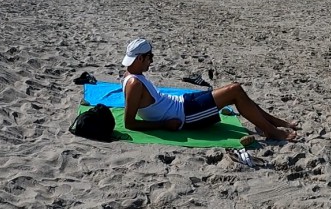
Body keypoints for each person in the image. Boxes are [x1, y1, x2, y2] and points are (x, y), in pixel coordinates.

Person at [120, 38, 299, 141]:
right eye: (150, 57)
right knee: (235, 90)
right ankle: (274, 132)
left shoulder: (131, 75)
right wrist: (164, 125)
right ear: (141, 58)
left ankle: (274, 124)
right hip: (185, 116)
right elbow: (130, 123)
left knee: (236, 91)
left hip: (184, 103)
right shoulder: (134, 84)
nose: (152, 61)